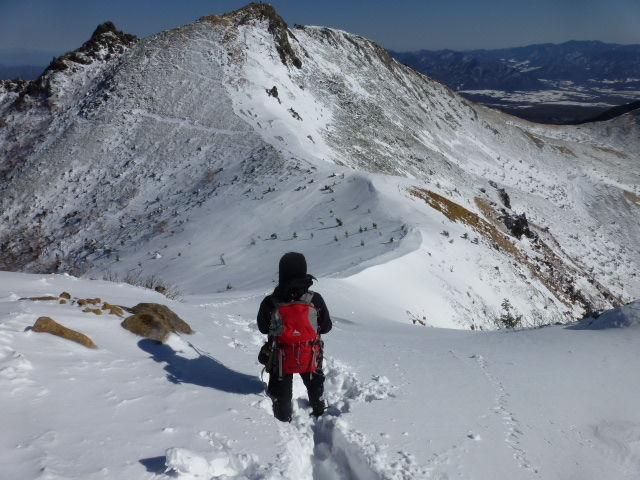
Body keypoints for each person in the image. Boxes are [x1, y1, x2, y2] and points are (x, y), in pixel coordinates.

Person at [257, 252, 332, 422]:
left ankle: (283, 419)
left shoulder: (271, 301)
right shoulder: (315, 299)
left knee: (280, 390)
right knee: (314, 383)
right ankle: (319, 409)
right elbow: (326, 327)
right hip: (310, 354)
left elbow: (262, 328)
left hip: (280, 358)